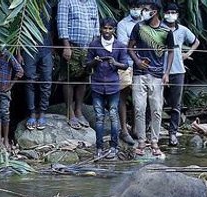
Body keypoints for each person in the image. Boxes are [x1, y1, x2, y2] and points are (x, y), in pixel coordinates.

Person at [127, 1, 174, 158]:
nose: (142, 12)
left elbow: (171, 52)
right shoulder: (138, 27)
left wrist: (167, 73)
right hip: (139, 74)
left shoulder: (166, 31)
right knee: (139, 108)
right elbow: (130, 47)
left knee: (156, 110)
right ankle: (141, 142)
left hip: (157, 76)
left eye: (146, 10)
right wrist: (137, 61)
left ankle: (154, 142)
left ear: (154, 12)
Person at [86, 18, 129, 159]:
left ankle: (113, 147)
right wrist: (94, 61)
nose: (107, 31)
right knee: (99, 118)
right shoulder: (94, 45)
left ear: (114, 30)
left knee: (113, 117)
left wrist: (115, 63)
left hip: (113, 86)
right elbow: (87, 65)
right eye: (105, 28)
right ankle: (99, 148)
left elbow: (125, 65)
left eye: (110, 29)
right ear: (101, 29)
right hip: (97, 85)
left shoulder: (120, 46)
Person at [57, 0, 99, 129]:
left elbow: (96, 24)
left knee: (84, 79)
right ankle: (70, 112)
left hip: (88, 48)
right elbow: (62, 24)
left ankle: (78, 110)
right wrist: (66, 46)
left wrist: (95, 46)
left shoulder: (92, 2)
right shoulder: (66, 2)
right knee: (69, 79)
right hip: (72, 46)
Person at [162, 3, 198, 147]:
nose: (171, 15)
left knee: (175, 104)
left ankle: (172, 133)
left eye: (173, 12)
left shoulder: (182, 30)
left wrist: (188, 53)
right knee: (155, 102)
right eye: (168, 12)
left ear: (177, 14)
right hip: (160, 70)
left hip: (178, 69)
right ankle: (150, 132)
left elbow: (196, 41)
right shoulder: (159, 28)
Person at [116, 0, 145, 145]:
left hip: (143, 64)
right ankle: (123, 130)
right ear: (129, 8)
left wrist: (134, 42)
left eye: (138, 8)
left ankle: (135, 128)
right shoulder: (122, 24)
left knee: (138, 97)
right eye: (133, 7)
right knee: (123, 94)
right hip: (126, 63)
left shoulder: (146, 21)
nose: (136, 10)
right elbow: (123, 44)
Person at [21, 1, 53, 131]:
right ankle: (32, 113)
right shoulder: (24, 3)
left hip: (46, 47)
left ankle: (43, 113)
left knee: (46, 81)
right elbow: (19, 27)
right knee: (29, 80)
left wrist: (53, 48)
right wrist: (19, 52)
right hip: (29, 47)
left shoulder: (49, 3)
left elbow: (51, 27)